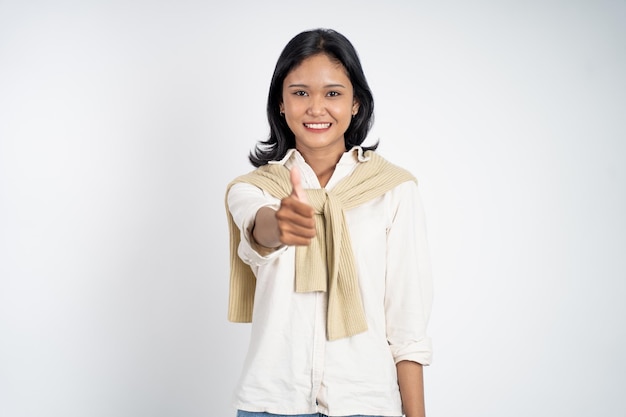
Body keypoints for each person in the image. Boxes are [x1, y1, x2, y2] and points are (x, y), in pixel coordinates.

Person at [225, 28, 433, 417]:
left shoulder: (393, 191)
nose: (316, 108)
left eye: (333, 93)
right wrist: (280, 226)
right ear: (281, 104)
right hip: (271, 405)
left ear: (356, 103)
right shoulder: (254, 189)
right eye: (300, 92)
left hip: (366, 404)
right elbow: (258, 229)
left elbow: (407, 327)